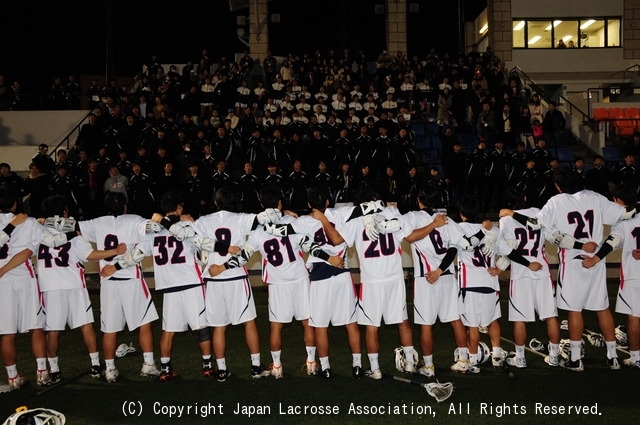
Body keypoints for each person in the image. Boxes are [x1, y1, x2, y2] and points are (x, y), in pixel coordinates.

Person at [500, 167, 635, 371]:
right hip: (596, 258)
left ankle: (575, 358)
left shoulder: (556, 202)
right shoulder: (595, 197)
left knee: (574, 310)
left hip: (573, 260)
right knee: (602, 307)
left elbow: (535, 225)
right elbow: (627, 213)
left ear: (557, 186)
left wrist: (512, 213)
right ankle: (613, 356)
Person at [208, 185, 343, 379]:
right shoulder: (293, 223)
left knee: (276, 326)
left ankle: (277, 366)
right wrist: (329, 259)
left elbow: (244, 256)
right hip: (299, 278)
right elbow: (309, 246)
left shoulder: (258, 231)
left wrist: (221, 268)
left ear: (263, 204)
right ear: (280, 203)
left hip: (278, 283)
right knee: (307, 323)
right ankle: (312, 362)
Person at [101, 192, 218, 382]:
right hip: (191, 282)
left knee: (169, 330)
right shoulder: (188, 225)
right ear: (179, 207)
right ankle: (207, 367)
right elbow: (204, 249)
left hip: (168, 285)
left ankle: (164, 369)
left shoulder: (154, 232)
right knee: (202, 327)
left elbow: (136, 255)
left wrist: (114, 266)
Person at [38, 195, 126, 383]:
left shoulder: (38, 230)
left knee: (52, 330)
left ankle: (54, 370)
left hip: (49, 286)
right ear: (65, 211)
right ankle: (95, 365)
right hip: (74, 284)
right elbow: (90, 254)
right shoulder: (71, 232)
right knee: (85, 325)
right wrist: (115, 251)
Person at [78, 192, 161, 382]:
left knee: (109, 328)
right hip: (131, 279)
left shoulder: (98, 222)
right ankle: (148, 364)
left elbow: (73, 228)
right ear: (125, 206)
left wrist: (44, 220)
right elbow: (154, 227)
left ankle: (109, 369)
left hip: (108, 282)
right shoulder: (134, 220)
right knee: (144, 323)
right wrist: (156, 217)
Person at [337, 186, 416, 379]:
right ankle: (411, 364)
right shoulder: (389, 211)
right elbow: (407, 234)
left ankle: (376, 369)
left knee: (372, 326)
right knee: (403, 322)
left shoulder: (355, 219)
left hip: (372, 280)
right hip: (394, 276)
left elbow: (340, 238)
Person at [402, 189, 475, 376]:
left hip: (426, 277)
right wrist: (441, 269)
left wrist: (437, 271)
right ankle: (464, 360)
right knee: (455, 318)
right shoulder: (445, 219)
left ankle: (428, 366)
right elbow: (455, 248)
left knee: (426, 324)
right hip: (446, 274)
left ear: (418, 200)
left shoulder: (412, 216)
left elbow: (410, 237)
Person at [496, 187, 560, 369]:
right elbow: (552, 235)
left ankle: (521, 358)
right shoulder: (539, 213)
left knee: (519, 318)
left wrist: (499, 268)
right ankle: (554, 356)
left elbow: (508, 249)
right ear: (524, 197)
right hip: (542, 270)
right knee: (550, 316)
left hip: (521, 273)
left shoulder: (506, 220)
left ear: (508, 203)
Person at [0, 188, 50, 389]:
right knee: (36, 326)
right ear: (15, 204)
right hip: (24, 278)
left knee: (6, 332)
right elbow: (37, 246)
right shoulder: (28, 222)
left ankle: (13, 377)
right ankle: (42, 372)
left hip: (2, 283)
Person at [455, 194, 505, 372]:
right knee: (492, 320)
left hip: (470, 283)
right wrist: (499, 268)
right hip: (490, 281)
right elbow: (510, 249)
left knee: (473, 324)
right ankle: (497, 355)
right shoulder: (491, 228)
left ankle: (474, 359)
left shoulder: (458, 228)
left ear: (461, 213)